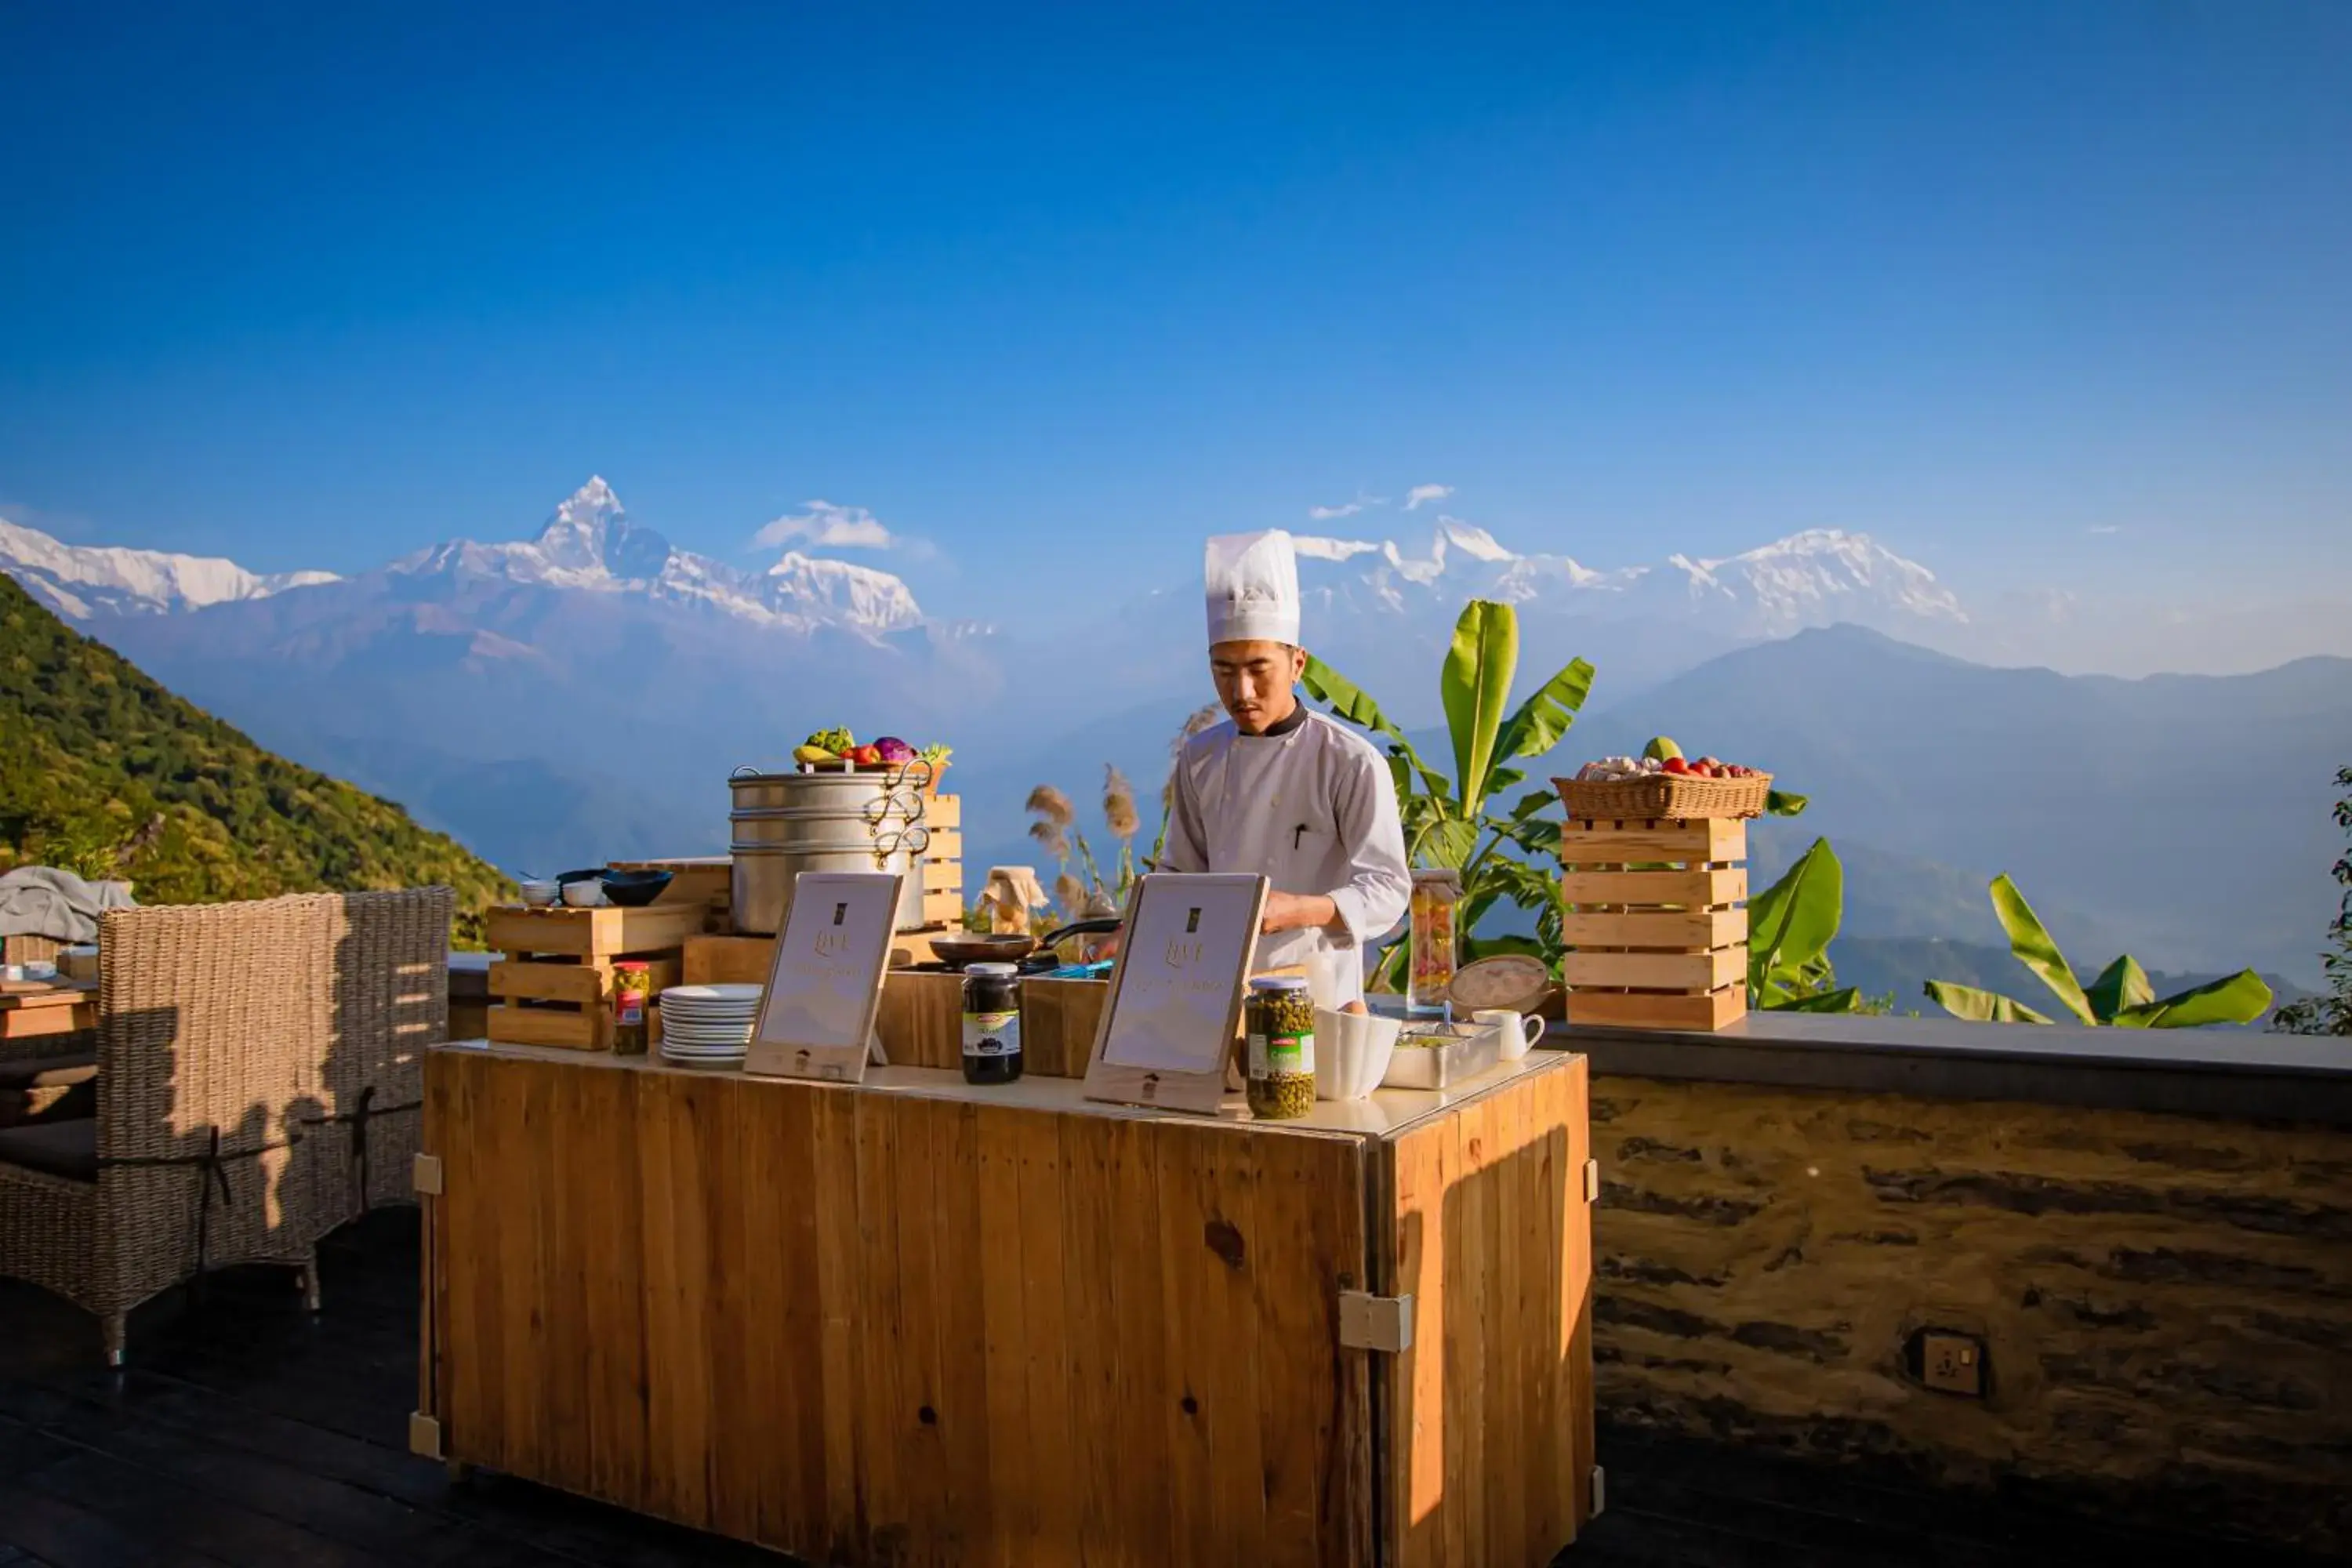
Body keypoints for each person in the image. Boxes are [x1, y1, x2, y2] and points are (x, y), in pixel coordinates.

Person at [1152, 530, 1412, 1009]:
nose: (1242, 691)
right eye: (1224, 671)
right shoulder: (1200, 757)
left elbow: (1388, 888)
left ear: (1297, 664)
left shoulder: (1348, 760)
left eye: (1258, 668)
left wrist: (1301, 910)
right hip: (1215, 990)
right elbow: (1182, 872)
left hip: (1320, 994)